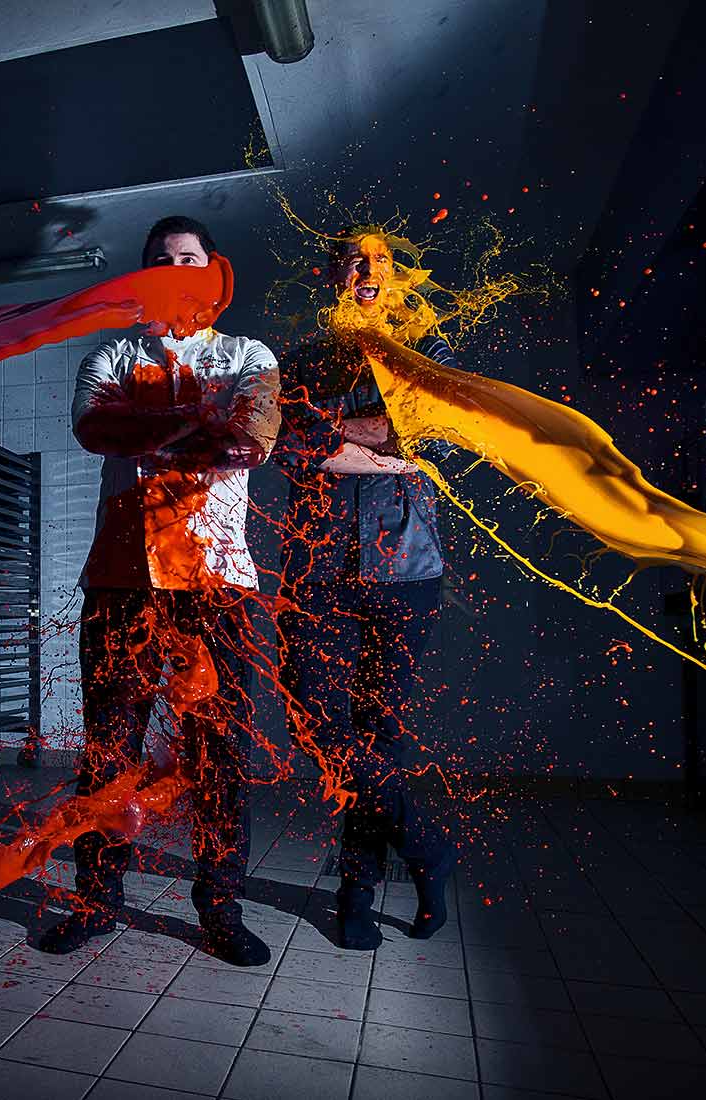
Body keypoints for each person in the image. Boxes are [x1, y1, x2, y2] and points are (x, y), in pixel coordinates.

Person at [39, 215, 281, 966]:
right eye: (159, 262)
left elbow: (249, 441)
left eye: (188, 258)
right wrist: (196, 424)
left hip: (216, 586)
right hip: (120, 581)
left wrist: (153, 426)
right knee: (108, 752)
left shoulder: (250, 354)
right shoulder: (110, 352)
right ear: (144, 278)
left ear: (212, 270)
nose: (175, 269)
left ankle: (219, 907)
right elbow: (95, 431)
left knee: (218, 756)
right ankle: (96, 899)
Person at [274, 227, 458, 950]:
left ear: (396, 274)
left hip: (407, 568)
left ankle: (356, 884)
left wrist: (341, 440)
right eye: (353, 257)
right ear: (333, 275)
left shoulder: (426, 353)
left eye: (379, 257)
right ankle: (425, 848)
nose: (365, 268)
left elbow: (432, 436)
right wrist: (383, 447)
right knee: (316, 718)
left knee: (379, 733)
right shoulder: (300, 359)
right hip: (316, 566)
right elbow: (286, 444)